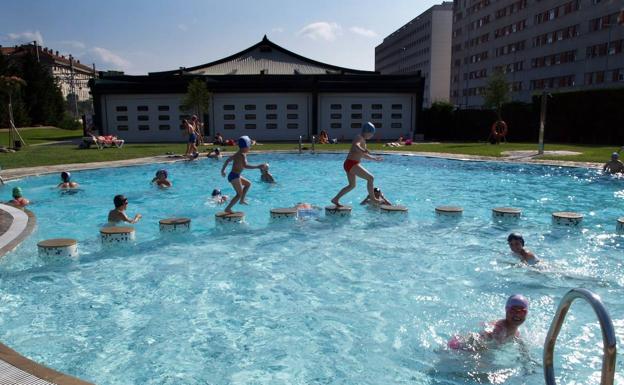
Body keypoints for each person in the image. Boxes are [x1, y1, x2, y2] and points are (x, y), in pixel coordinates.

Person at [447, 294, 529, 351]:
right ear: (506, 310)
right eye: (513, 310)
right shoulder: (499, 329)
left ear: (526, 313)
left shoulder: (516, 333)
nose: (517, 315)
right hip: (458, 346)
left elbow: (520, 345)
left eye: (522, 312)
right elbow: (480, 337)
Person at [331, 122, 383, 207]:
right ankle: (373, 199)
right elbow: (356, 145)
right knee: (370, 178)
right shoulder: (359, 137)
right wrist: (362, 149)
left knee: (352, 185)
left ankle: (335, 199)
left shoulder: (362, 140)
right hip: (352, 163)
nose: (372, 136)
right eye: (371, 134)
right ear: (367, 132)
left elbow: (363, 155)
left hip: (349, 164)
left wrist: (374, 158)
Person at [221, 136, 267, 213]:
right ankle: (228, 208)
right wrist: (258, 166)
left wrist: (223, 171)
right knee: (239, 194)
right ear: (245, 147)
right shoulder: (242, 155)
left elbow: (227, 161)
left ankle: (242, 200)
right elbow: (245, 166)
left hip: (234, 175)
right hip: (234, 176)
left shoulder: (237, 153)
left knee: (248, 184)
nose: (250, 148)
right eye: (249, 146)